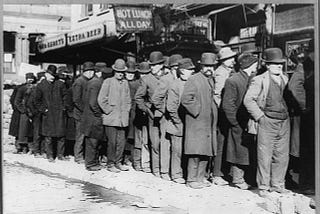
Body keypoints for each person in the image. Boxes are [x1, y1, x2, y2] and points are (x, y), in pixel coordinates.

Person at [244, 47, 290, 197]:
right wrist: (260, 117)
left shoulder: (285, 78)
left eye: (280, 64)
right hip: (267, 121)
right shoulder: (259, 80)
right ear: (267, 65)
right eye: (275, 64)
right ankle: (264, 187)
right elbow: (248, 100)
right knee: (264, 156)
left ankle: (277, 184)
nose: (279, 66)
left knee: (282, 155)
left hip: (283, 122)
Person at [181, 52, 219, 189]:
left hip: (208, 122)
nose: (210, 69)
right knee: (195, 152)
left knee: (206, 152)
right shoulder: (194, 79)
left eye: (212, 66)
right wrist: (197, 111)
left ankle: (200, 178)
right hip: (197, 122)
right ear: (201, 66)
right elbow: (186, 99)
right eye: (207, 66)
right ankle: (191, 180)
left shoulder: (210, 80)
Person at [222, 53, 258, 189]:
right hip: (238, 121)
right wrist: (234, 122)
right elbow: (227, 105)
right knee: (238, 150)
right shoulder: (233, 80)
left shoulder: (252, 78)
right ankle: (237, 179)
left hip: (248, 121)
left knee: (246, 150)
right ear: (250, 65)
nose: (256, 66)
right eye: (255, 64)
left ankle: (246, 177)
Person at [135, 51, 166, 178]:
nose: (152, 68)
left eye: (155, 65)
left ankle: (165, 168)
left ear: (161, 66)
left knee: (165, 142)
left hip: (166, 116)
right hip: (152, 116)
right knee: (154, 143)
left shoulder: (168, 78)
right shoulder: (147, 79)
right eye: (151, 65)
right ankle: (156, 169)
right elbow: (138, 97)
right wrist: (146, 109)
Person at [151, 53, 182, 180]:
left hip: (177, 116)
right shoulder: (166, 79)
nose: (177, 70)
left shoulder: (181, 80)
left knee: (176, 146)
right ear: (170, 68)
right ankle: (164, 171)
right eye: (175, 68)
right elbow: (156, 99)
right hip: (166, 117)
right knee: (165, 143)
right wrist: (164, 111)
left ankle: (176, 170)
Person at [98, 59, 131, 173]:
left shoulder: (126, 83)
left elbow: (128, 99)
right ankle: (110, 163)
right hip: (111, 118)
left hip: (123, 118)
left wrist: (127, 110)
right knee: (111, 142)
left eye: (122, 71)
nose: (120, 73)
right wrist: (108, 110)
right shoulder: (108, 82)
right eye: (118, 71)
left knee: (121, 142)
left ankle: (118, 162)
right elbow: (101, 99)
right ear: (114, 71)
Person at [210, 46, 237, 186]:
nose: (233, 61)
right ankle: (216, 174)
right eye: (229, 59)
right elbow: (217, 94)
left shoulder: (229, 71)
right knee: (221, 143)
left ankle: (223, 172)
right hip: (222, 113)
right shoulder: (221, 73)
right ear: (223, 61)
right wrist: (225, 111)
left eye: (233, 58)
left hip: (225, 111)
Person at [166, 58, 195, 184]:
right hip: (177, 124)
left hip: (189, 124)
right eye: (190, 70)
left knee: (186, 150)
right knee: (177, 150)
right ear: (182, 71)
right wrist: (178, 122)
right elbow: (171, 107)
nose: (192, 72)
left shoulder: (192, 83)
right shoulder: (175, 85)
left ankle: (186, 173)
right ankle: (176, 174)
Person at [35, 65, 68, 162]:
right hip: (48, 114)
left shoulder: (60, 84)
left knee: (61, 136)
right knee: (48, 136)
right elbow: (37, 100)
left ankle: (60, 155)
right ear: (46, 74)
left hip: (59, 114)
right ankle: (50, 155)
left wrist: (64, 107)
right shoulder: (41, 85)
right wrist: (43, 109)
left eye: (54, 75)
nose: (52, 77)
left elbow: (66, 96)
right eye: (50, 75)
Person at [81, 62, 108, 171]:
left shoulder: (91, 82)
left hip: (89, 117)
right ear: (100, 73)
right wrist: (99, 114)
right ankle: (91, 163)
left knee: (93, 141)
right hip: (93, 118)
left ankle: (94, 162)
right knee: (93, 142)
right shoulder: (97, 83)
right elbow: (93, 103)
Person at [72, 62, 95, 164]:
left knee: (87, 136)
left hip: (87, 114)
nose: (91, 73)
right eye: (89, 71)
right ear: (85, 72)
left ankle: (85, 155)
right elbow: (76, 100)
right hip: (80, 114)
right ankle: (78, 156)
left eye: (92, 71)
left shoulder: (89, 81)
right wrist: (84, 110)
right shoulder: (79, 82)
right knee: (80, 136)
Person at [132, 62, 152, 172]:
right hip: (138, 114)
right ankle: (137, 162)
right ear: (139, 73)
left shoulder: (150, 82)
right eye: (142, 73)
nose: (144, 76)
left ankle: (145, 162)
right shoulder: (135, 84)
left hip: (147, 115)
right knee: (138, 140)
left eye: (147, 73)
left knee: (146, 139)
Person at [14, 72, 37, 154]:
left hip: (33, 111)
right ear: (26, 79)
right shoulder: (22, 89)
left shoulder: (35, 88)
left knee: (31, 130)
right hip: (24, 112)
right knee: (23, 130)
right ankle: (22, 146)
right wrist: (23, 110)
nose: (30, 80)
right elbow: (17, 101)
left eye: (32, 78)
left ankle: (30, 147)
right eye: (29, 79)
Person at [26, 71, 46, 158]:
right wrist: (34, 113)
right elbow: (30, 103)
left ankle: (42, 150)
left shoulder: (44, 88)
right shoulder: (35, 88)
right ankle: (36, 151)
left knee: (43, 133)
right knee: (37, 133)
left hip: (43, 113)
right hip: (37, 114)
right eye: (42, 79)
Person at [123, 61, 139, 167]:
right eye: (128, 73)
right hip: (124, 112)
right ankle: (123, 157)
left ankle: (130, 157)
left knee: (131, 136)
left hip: (133, 112)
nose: (130, 75)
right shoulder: (123, 83)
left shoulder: (136, 84)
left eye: (132, 73)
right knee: (122, 135)